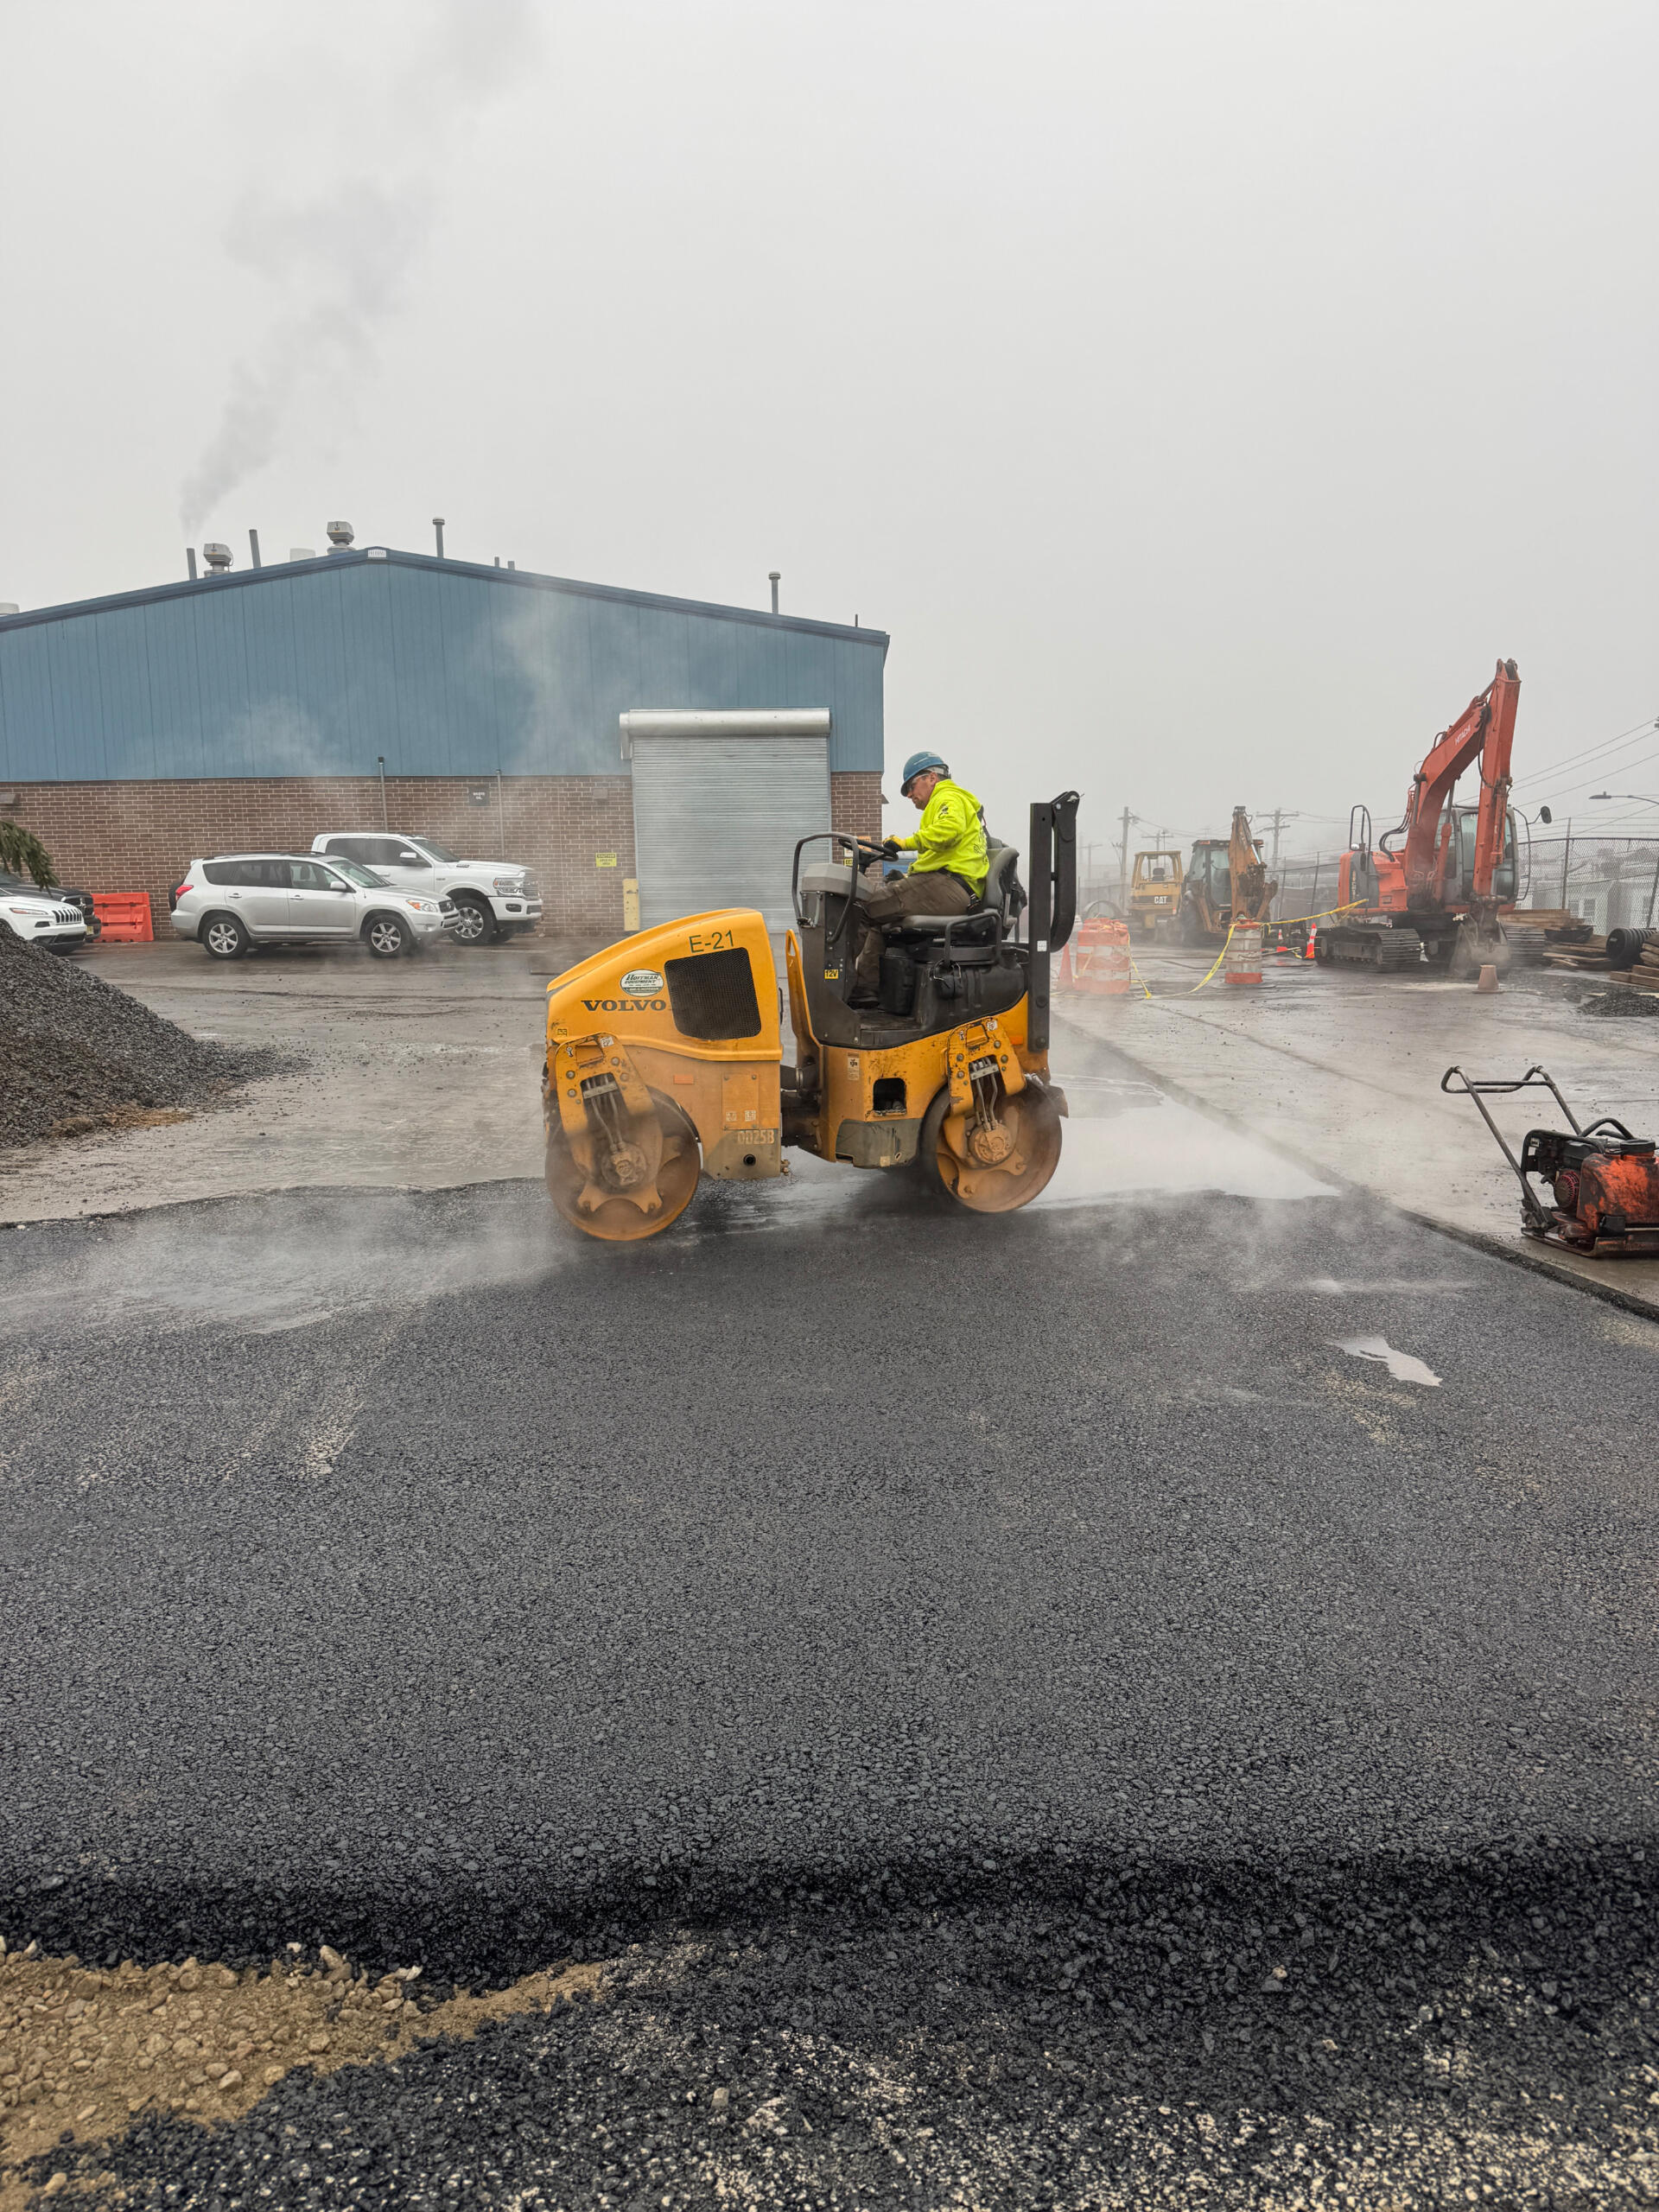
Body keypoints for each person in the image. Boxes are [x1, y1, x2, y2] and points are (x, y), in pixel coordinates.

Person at [851, 751, 989, 1001]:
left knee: (862, 908)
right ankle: (864, 992)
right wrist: (905, 877)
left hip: (948, 887)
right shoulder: (947, 802)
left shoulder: (948, 796)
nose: (909, 795)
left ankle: (832, 985)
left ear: (932, 778)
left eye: (911, 786)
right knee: (880, 920)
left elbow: (948, 832)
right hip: (948, 887)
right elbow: (941, 852)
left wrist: (903, 843)